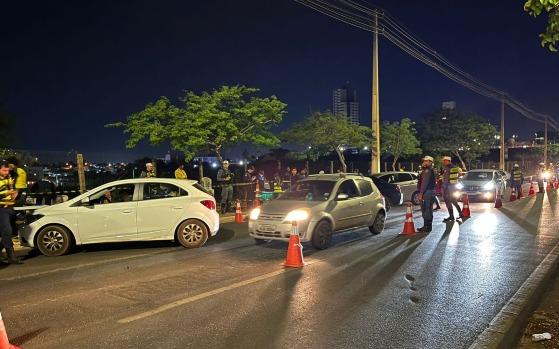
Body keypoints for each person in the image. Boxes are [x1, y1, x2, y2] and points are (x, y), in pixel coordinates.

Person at [0, 161, 23, 264]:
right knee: (7, 231)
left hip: (10, 207)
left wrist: (16, 193)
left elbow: (13, 189)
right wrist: (6, 194)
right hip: (1, 208)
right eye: (4, 170)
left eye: (7, 170)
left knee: (10, 232)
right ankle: (11, 256)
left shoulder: (9, 178)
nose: (6, 172)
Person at [441, 156, 464, 222]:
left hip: (448, 187)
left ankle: (451, 216)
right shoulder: (455, 167)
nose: (443, 162)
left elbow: (446, 179)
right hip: (453, 187)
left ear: (448, 161)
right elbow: (460, 174)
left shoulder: (448, 168)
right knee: (454, 201)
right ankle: (460, 214)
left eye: (444, 161)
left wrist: (443, 188)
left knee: (448, 202)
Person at [417, 156, 436, 233]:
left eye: (426, 161)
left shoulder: (427, 171)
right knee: (429, 209)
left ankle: (426, 226)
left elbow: (424, 183)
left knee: (426, 209)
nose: (424, 162)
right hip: (431, 192)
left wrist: (421, 193)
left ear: (430, 162)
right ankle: (428, 226)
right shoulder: (431, 170)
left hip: (427, 192)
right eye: (424, 161)